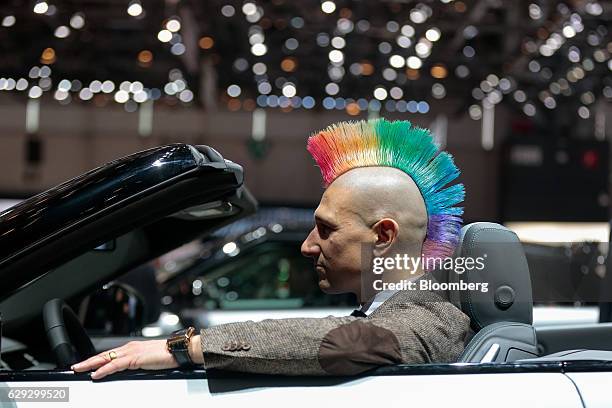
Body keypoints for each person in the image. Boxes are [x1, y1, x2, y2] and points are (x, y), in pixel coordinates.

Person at [72, 118, 471, 379]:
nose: (307, 246)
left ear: (383, 237)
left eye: (325, 229)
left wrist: (183, 348)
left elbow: (346, 339)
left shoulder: (428, 321)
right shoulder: (398, 314)